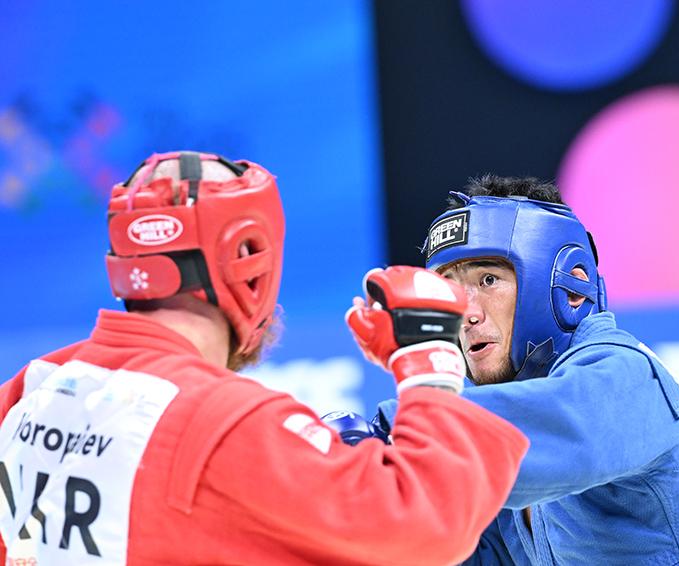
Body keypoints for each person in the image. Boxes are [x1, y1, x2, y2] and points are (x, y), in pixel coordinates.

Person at [0, 152, 529, 565]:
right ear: (246, 259)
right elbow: (426, 529)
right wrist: (429, 361)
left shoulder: (30, 389)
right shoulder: (224, 424)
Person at [373, 175, 679, 565]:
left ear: (569, 288)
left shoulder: (623, 376)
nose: (465, 313)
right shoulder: (526, 416)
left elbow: (544, 433)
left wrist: (383, 437)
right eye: (449, 290)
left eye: (488, 280)